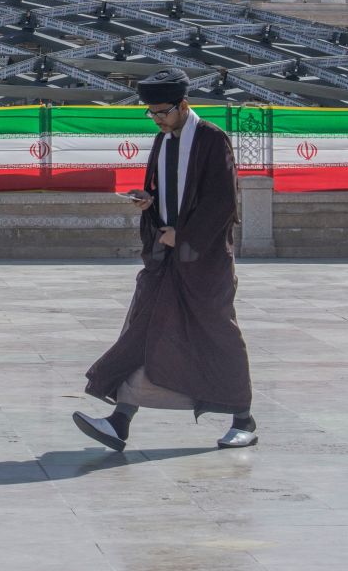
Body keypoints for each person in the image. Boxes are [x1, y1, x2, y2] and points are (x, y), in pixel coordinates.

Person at [74, 66, 258, 451]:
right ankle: (120, 421)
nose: (157, 119)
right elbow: (169, 192)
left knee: (217, 333)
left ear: (183, 105)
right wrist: (149, 203)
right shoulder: (165, 141)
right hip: (169, 259)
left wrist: (183, 236)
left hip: (203, 261)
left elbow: (222, 202)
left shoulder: (210, 140)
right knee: (146, 330)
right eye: (151, 113)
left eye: (163, 112)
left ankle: (244, 419)